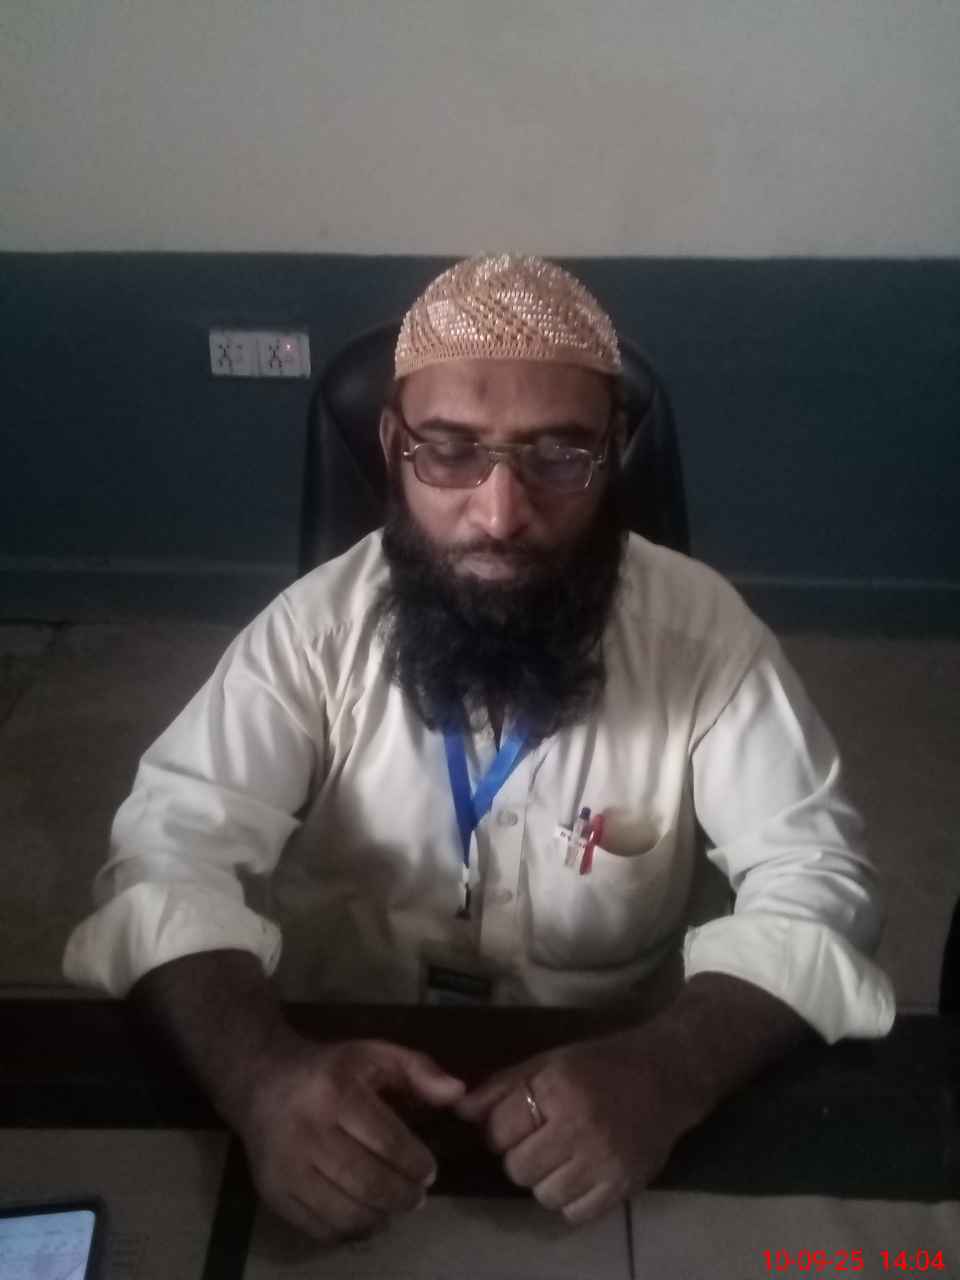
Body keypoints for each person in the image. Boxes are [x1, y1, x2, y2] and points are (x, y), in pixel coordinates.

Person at [64, 253, 895, 1241]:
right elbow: (165, 855)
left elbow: (818, 881)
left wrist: (671, 1068)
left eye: (559, 454)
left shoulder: (704, 638)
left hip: (612, 1100)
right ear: (393, 445)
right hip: (335, 1079)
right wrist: (259, 1073)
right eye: (451, 451)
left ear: (614, 452)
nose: (501, 514)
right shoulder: (314, 633)